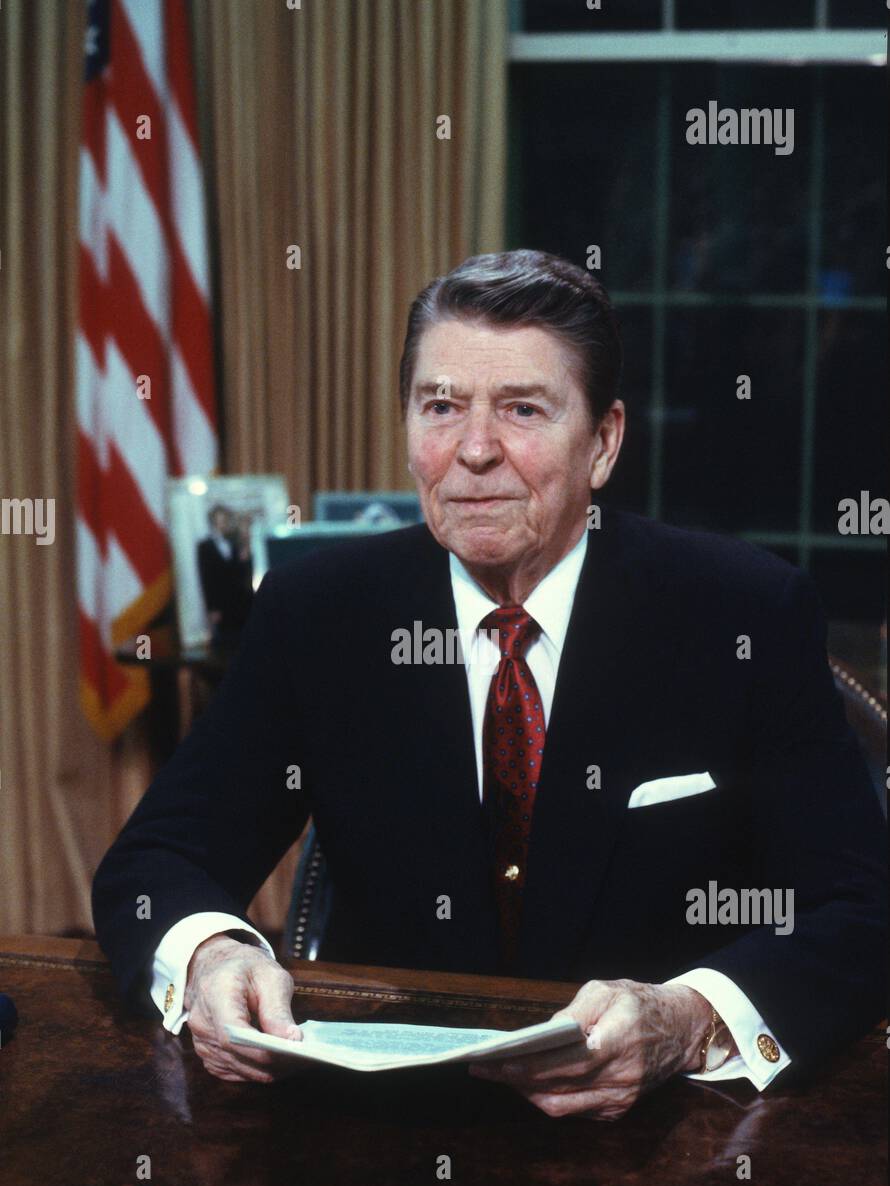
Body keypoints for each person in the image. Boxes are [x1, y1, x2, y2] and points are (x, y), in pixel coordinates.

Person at [93, 250, 886, 1119]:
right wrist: (212, 956)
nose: (473, 451)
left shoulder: (743, 612)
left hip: (668, 1133)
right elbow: (155, 862)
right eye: (441, 407)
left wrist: (690, 1017)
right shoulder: (321, 612)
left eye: (522, 409)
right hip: (384, 1130)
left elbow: (862, 910)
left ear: (605, 442)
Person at [197, 503, 254, 643]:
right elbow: (206, 579)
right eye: (220, 520)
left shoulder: (235, 542)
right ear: (213, 522)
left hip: (241, 602)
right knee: (224, 642)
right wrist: (212, 608)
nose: (223, 523)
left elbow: (244, 572)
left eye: (225, 520)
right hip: (221, 603)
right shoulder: (205, 546)